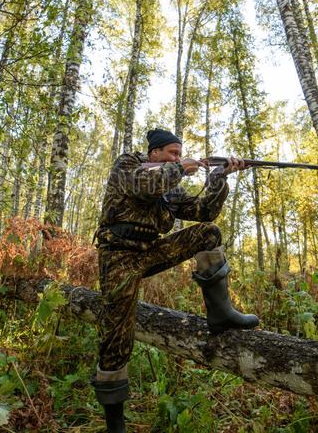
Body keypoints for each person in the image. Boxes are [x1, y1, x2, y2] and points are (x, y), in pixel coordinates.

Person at [91, 128, 259, 432]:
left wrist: (220, 178)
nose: (177, 158)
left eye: (180, 154)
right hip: (118, 256)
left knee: (208, 233)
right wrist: (180, 168)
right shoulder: (128, 164)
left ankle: (221, 314)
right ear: (154, 153)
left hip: (150, 251)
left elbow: (204, 211)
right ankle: (115, 421)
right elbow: (144, 187)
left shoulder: (172, 186)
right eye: (172, 153)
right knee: (116, 339)